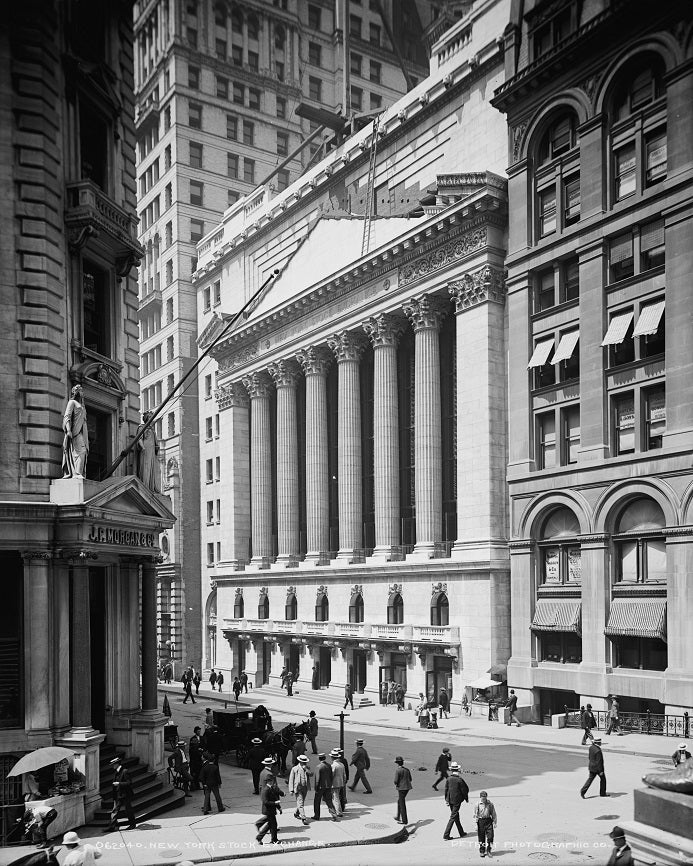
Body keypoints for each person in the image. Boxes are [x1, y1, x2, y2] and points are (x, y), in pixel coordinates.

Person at [106, 756, 136, 832]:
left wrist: (119, 783)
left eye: (113, 764)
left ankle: (132, 824)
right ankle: (111, 827)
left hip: (125, 795)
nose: (112, 766)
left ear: (117, 764)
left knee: (128, 810)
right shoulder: (116, 772)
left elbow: (129, 783)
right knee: (115, 811)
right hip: (118, 795)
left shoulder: (125, 771)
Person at [135, 410, 160, 492]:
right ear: (145, 418)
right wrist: (142, 447)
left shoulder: (152, 429)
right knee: (146, 466)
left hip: (152, 450)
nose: (151, 418)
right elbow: (139, 439)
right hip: (145, 449)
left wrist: (157, 447)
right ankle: (145, 485)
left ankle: (151, 486)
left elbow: (155, 441)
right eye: (149, 416)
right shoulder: (141, 427)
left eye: (151, 417)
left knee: (152, 467)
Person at [443, 762, 469, 840]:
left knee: (455, 816)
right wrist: (466, 798)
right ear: (457, 770)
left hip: (450, 799)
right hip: (457, 801)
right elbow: (465, 790)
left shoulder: (448, 779)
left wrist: (447, 800)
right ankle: (446, 834)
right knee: (453, 816)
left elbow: (446, 790)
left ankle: (461, 832)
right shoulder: (459, 780)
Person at [256, 777, 283, 844]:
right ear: (268, 782)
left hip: (271, 810)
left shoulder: (271, 788)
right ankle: (274, 839)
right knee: (273, 825)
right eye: (271, 781)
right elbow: (265, 802)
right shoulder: (265, 790)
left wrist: (279, 807)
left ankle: (261, 837)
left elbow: (275, 798)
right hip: (268, 811)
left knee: (271, 825)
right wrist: (274, 803)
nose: (273, 782)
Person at [288, 753, 312, 825]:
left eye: (305, 761)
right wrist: (291, 789)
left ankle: (296, 813)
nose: (305, 762)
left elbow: (311, 774)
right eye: (303, 761)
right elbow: (291, 779)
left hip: (305, 787)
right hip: (298, 788)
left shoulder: (307, 768)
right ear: (300, 761)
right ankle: (303, 818)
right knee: (300, 803)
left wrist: (307, 770)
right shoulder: (295, 769)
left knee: (301, 802)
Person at [313, 752, 338, 821]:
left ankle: (317, 815)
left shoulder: (319, 767)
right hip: (328, 786)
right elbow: (331, 776)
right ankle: (334, 814)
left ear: (319, 758)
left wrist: (316, 787)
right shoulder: (329, 766)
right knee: (329, 801)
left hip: (320, 787)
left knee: (317, 801)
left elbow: (317, 779)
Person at [474, 790, 497, 858]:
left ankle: (489, 850)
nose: (484, 799)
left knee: (490, 837)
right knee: (481, 838)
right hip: (480, 821)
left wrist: (495, 822)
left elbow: (493, 813)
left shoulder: (490, 804)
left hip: (488, 821)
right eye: (482, 797)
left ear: (486, 797)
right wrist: (475, 824)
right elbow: (475, 815)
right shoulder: (477, 804)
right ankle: (482, 851)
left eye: (485, 797)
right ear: (480, 797)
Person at [393, 756, 412, 825]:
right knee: (399, 801)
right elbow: (410, 779)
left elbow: (395, 781)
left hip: (401, 788)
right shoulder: (407, 770)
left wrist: (397, 783)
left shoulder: (398, 770)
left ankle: (404, 820)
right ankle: (398, 816)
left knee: (402, 803)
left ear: (397, 763)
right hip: (407, 787)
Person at [330, 749, 347, 816]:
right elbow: (344, 774)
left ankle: (338, 811)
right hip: (341, 782)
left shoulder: (334, 765)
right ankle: (338, 810)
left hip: (335, 784)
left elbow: (331, 775)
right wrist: (344, 781)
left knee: (335, 797)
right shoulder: (341, 764)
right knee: (337, 797)